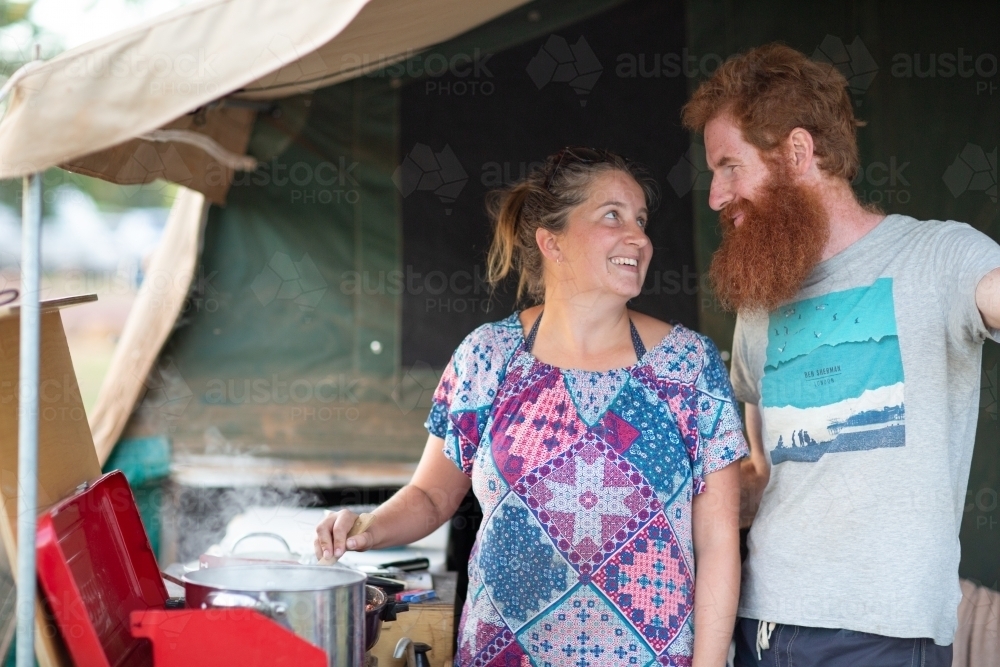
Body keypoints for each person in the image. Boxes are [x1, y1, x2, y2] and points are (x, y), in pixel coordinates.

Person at [316, 147, 748, 666]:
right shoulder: (489, 356)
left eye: (640, 219)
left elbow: (718, 540)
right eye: (613, 215)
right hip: (505, 653)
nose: (639, 236)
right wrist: (364, 528)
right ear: (552, 242)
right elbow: (431, 496)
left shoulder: (689, 365)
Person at [681, 43, 1000, 666]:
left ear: (798, 153)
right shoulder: (760, 302)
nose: (717, 196)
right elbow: (761, 473)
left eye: (729, 167)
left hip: (882, 633)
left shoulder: (939, 258)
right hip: (761, 622)